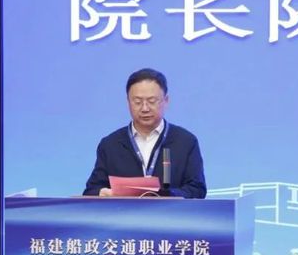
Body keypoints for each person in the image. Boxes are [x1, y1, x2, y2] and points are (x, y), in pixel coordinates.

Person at [83, 68, 207, 199]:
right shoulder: (110, 144)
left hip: (170, 212)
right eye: (137, 102)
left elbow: (197, 189)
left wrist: (166, 196)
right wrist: (103, 193)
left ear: (166, 101)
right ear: (128, 102)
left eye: (152, 101)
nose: (145, 108)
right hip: (124, 211)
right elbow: (91, 190)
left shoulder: (186, 142)